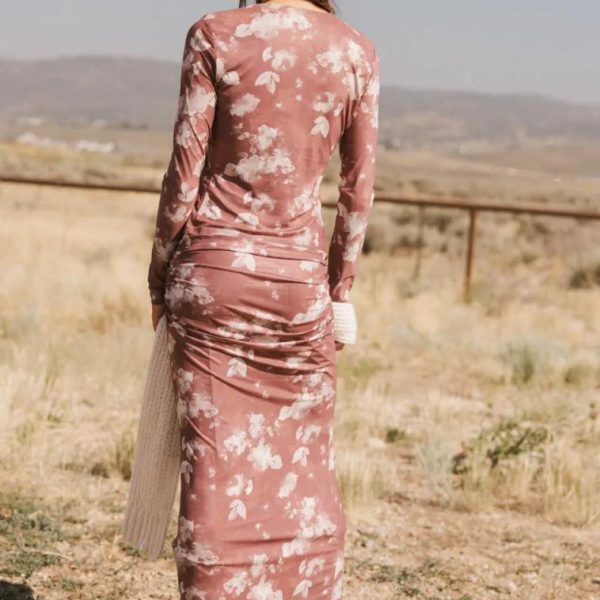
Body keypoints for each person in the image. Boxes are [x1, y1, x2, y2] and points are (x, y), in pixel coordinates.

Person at [146, 0, 379, 597]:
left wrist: (159, 276)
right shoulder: (355, 50)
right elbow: (357, 191)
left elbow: (184, 171)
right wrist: (339, 291)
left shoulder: (215, 34)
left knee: (212, 461)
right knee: (305, 461)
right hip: (299, 286)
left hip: (214, 274)